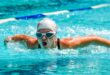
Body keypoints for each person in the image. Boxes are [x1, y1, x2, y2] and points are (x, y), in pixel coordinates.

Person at [4, 18, 110, 49]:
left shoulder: (68, 45)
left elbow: (94, 39)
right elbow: (23, 37)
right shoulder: (33, 44)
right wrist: (9, 39)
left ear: (55, 35)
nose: (44, 38)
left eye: (49, 35)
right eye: (40, 35)